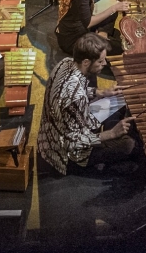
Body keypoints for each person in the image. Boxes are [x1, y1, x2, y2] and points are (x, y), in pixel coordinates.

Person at [37, 33, 138, 176]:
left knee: (117, 100)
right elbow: (71, 142)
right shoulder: (75, 100)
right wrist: (111, 133)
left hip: (60, 127)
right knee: (129, 146)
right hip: (65, 154)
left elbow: (75, 89)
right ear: (86, 62)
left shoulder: (64, 63)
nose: (104, 64)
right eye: (100, 61)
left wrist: (100, 92)